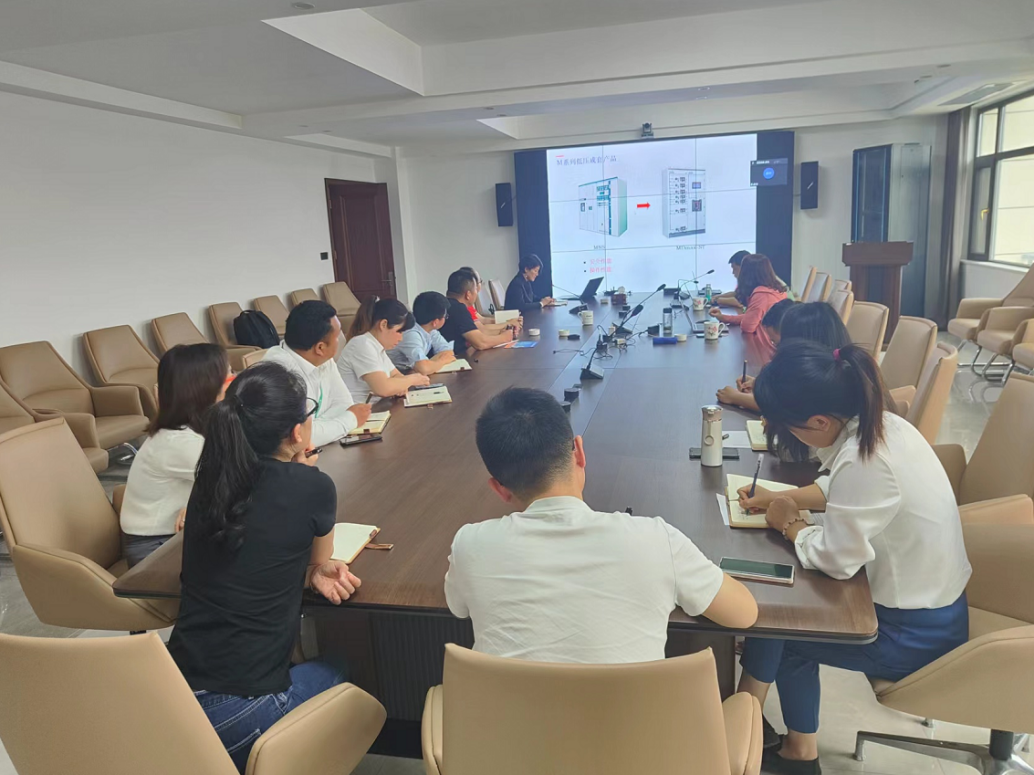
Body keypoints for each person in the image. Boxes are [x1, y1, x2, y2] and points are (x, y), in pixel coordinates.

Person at [733, 341, 971, 774]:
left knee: (776, 627)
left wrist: (791, 525)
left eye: (786, 426)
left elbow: (835, 560)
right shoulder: (883, 426)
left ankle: (773, 747)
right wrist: (785, 497)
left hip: (914, 633)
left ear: (819, 422)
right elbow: (844, 488)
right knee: (777, 618)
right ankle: (758, 728)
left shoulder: (868, 460)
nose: (784, 433)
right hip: (934, 605)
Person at [444, 387, 758, 663]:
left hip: (503, 715)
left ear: (499, 489)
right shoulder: (655, 540)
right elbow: (744, 614)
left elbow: (458, 607)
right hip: (635, 716)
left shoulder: (470, 545)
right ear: (580, 453)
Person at [167, 363, 362, 773]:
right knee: (338, 666)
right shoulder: (313, 486)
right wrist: (302, 472)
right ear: (296, 432)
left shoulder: (209, 481)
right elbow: (320, 559)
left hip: (173, 703)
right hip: (241, 715)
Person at [119, 343, 231, 567]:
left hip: (172, 535)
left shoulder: (193, 430)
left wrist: (197, 506)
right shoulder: (179, 443)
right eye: (229, 376)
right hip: (156, 549)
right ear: (206, 388)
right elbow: (246, 482)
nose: (234, 382)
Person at [263, 300, 372, 446]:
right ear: (320, 348)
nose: (340, 339)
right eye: (337, 336)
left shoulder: (323, 358)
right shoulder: (279, 373)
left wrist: (319, 427)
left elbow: (343, 404)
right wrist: (350, 419)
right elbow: (298, 437)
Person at [717, 302, 848, 412]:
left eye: (779, 342)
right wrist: (758, 384)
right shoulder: (833, 364)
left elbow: (784, 408)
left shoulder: (821, 377)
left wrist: (737, 398)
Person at [338, 297, 430, 398]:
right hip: (361, 407)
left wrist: (400, 385)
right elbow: (383, 389)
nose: (401, 338)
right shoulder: (361, 344)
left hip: (377, 405)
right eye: (399, 332)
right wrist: (413, 379)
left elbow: (396, 375)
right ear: (383, 324)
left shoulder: (377, 347)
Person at [709, 254, 787, 348]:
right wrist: (724, 318)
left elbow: (747, 326)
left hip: (766, 350)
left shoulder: (761, 294)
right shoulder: (776, 289)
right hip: (776, 347)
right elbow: (752, 317)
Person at [440, 269, 517, 358]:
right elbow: (480, 343)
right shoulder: (458, 309)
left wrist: (500, 332)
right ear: (468, 294)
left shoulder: (446, 304)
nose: (477, 293)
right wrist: (504, 337)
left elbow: (477, 334)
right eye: (476, 290)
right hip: (453, 360)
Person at [388, 291, 458, 375]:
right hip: (396, 375)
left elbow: (448, 352)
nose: (446, 319)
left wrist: (428, 365)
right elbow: (424, 369)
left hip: (409, 374)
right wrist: (441, 361)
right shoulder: (411, 334)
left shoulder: (430, 329)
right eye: (445, 316)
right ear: (435, 322)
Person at [714, 249, 794, 308]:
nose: (733, 272)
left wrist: (717, 300)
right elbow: (738, 294)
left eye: (735, 269)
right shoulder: (755, 279)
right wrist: (717, 297)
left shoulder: (762, 282)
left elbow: (739, 302)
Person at [459, 266, 519, 334]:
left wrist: (510, 321)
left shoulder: (468, 305)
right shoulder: (464, 307)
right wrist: (508, 324)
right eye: (480, 281)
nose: (480, 284)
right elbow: (483, 330)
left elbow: (483, 320)